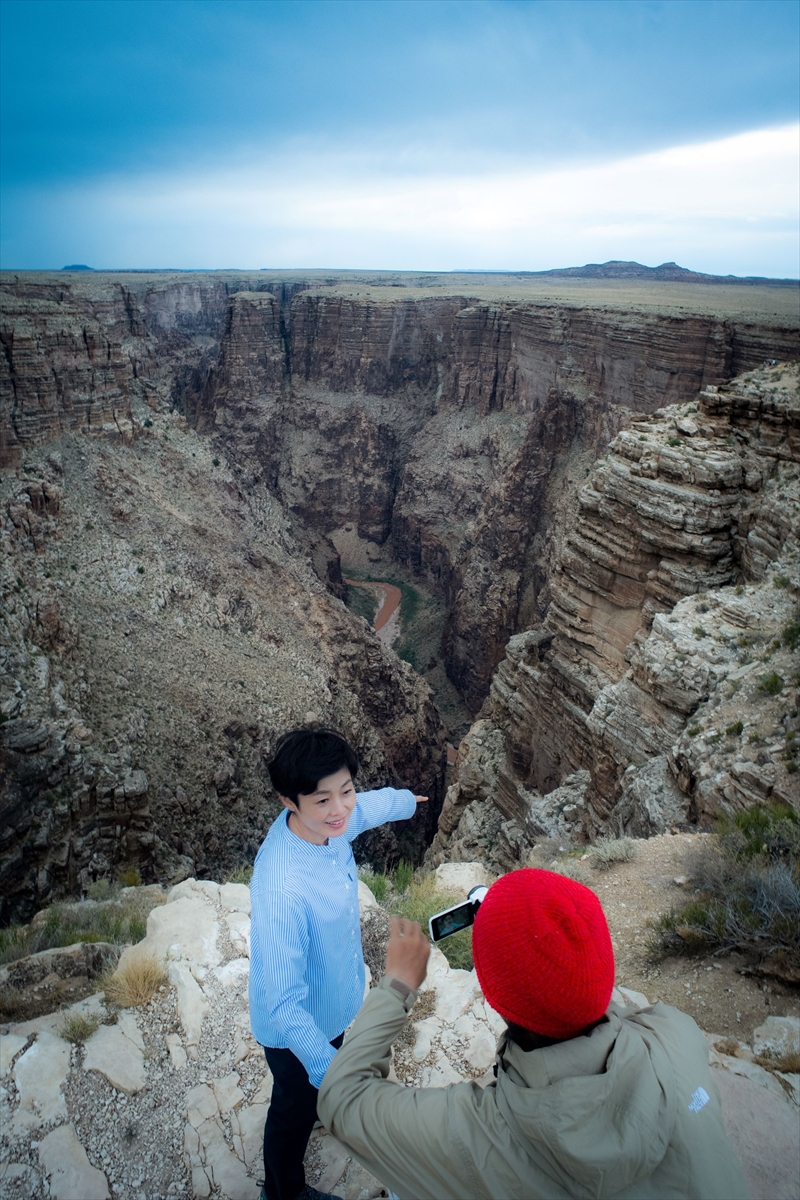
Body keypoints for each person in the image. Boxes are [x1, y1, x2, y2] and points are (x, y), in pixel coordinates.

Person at [318, 868, 749, 1200]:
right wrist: (534, 946)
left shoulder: (477, 1137)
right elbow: (585, 996)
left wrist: (397, 984)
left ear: (495, 996)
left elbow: (341, 1098)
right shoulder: (677, 1033)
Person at [249, 727, 428, 1200]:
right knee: (292, 1109)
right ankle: (282, 1191)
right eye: (323, 800)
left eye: (344, 790)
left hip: (334, 1003)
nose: (340, 808)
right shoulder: (283, 888)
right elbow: (285, 1005)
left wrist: (406, 800)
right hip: (297, 1033)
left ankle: (320, 1105)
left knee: (310, 1097)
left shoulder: (329, 820)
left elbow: (363, 809)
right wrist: (336, 1078)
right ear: (290, 801)